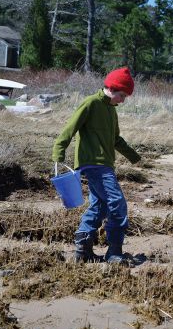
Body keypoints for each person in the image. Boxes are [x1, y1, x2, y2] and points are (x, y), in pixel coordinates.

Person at [52, 67, 141, 263]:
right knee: (117, 203)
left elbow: (116, 139)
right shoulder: (91, 103)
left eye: (125, 96)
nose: (123, 100)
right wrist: (59, 152)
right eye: (122, 95)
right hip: (93, 163)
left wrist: (134, 157)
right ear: (112, 87)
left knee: (100, 205)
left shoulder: (111, 110)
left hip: (106, 164)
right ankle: (114, 252)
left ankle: (83, 250)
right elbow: (69, 129)